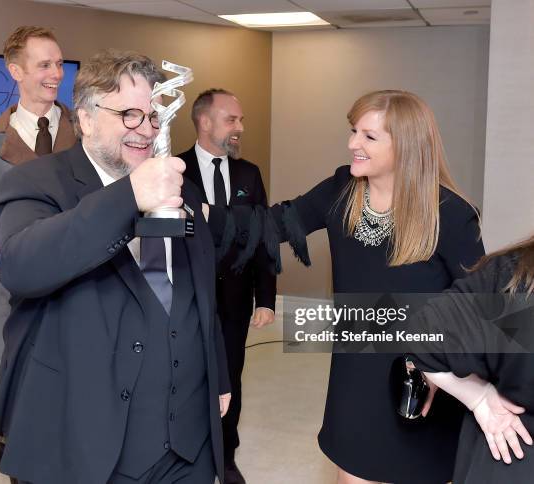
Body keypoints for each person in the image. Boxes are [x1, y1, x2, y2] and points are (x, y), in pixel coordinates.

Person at [207, 90, 485, 483]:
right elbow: (271, 224)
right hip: (354, 379)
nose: (353, 143)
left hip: (419, 383)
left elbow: (480, 312)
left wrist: (446, 374)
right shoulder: (343, 189)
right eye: (354, 131)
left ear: (405, 145)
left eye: (369, 136)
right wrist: (202, 214)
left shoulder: (451, 215)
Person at [0, 49, 231, 484]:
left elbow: (198, 294)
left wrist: (219, 375)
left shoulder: (182, 190)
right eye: (130, 115)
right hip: (86, 446)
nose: (147, 131)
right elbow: (22, 267)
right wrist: (129, 196)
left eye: (154, 117)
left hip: (187, 445)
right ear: (86, 119)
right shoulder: (35, 182)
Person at [0, 25, 76, 448]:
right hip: (21, 303)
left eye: (60, 63)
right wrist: (6, 244)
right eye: (45, 64)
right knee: (20, 427)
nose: (57, 73)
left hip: (87, 291)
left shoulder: (88, 133)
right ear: (15, 71)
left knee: (81, 419)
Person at [178, 88, 276, 484]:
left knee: (230, 378)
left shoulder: (248, 174)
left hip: (235, 300)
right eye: (232, 119)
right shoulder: (174, 168)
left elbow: (264, 236)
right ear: (205, 122)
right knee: (186, 377)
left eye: (240, 120)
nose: (240, 127)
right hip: (187, 298)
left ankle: (225, 456)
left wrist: (266, 298)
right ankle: (188, 452)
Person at [410, 234, 534, 483]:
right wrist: (477, 398)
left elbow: (423, 333)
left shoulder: (510, 271)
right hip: (511, 445)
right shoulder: (510, 274)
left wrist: (477, 398)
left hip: (508, 452)